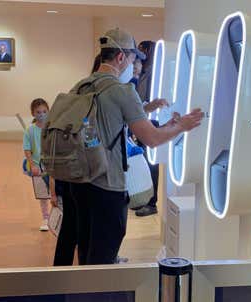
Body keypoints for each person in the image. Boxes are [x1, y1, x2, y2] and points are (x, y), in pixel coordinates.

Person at [63, 28, 203, 265]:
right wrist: (182, 126)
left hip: (77, 181)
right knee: (104, 251)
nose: (133, 65)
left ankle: (82, 296)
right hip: (106, 184)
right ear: (121, 58)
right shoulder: (122, 90)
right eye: (132, 59)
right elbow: (152, 139)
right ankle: (102, 298)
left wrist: (166, 122)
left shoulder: (80, 86)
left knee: (86, 245)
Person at [133, 40, 161, 217]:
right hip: (139, 120)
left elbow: (150, 98)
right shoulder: (140, 74)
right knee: (141, 162)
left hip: (150, 122)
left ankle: (151, 202)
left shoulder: (153, 74)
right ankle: (142, 197)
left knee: (151, 163)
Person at [23, 98, 51, 231]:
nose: (41, 114)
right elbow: (27, 149)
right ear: (33, 113)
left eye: (44, 111)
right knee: (43, 195)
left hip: (52, 166)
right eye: (38, 112)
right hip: (37, 167)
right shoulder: (30, 131)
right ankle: (45, 218)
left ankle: (58, 217)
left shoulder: (52, 128)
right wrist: (32, 165)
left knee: (56, 193)